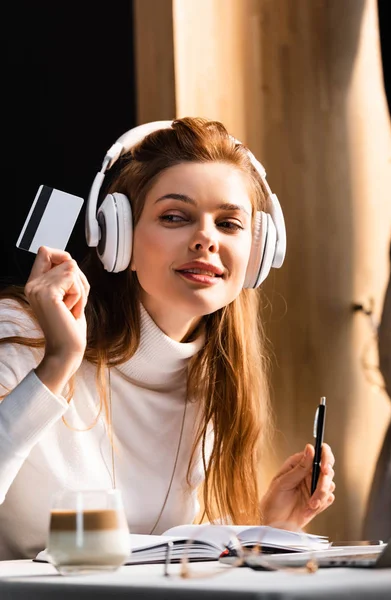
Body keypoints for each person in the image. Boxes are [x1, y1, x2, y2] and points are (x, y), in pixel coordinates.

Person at [0, 117, 335, 561]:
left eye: (229, 224)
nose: (205, 240)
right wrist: (58, 363)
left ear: (258, 254)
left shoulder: (217, 380)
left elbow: (171, 561)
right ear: (117, 236)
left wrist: (265, 532)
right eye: (175, 216)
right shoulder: (26, 334)